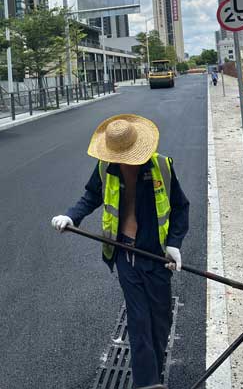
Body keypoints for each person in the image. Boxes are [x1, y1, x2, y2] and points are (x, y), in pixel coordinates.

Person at [52, 114, 190, 388]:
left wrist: (174, 243)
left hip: (156, 256)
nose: (122, 159)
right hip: (124, 253)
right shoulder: (106, 167)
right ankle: (147, 384)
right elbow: (91, 196)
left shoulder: (161, 166)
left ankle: (156, 370)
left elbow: (180, 207)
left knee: (159, 319)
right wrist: (71, 217)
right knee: (139, 322)